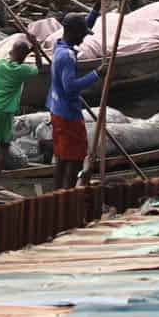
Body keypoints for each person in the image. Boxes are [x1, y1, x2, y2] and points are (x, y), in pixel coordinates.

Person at [48, 12, 100, 189]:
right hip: (68, 113)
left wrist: (97, 8)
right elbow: (70, 86)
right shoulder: (67, 56)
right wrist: (97, 74)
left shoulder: (59, 46)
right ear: (74, 32)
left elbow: (83, 26)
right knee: (76, 157)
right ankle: (68, 194)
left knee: (62, 155)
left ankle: (56, 193)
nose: (84, 38)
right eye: (83, 34)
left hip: (56, 109)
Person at [0, 38, 37, 190]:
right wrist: (36, 50)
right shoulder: (22, 70)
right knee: (4, 146)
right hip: (5, 110)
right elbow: (38, 67)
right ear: (24, 57)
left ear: (12, 51)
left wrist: (26, 50)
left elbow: (13, 55)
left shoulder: (0, 64)